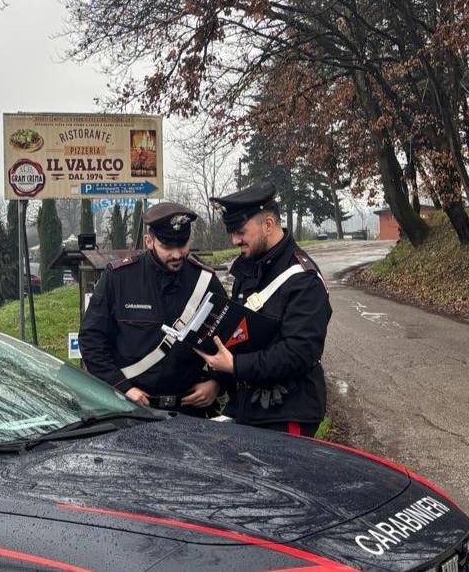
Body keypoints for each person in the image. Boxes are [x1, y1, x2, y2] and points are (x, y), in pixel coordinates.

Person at [194, 182, 331, 436]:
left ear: (268, 225)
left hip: (288, 410)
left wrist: (235, 365)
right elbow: (239, 335)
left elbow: (300, 352)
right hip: (250, 405)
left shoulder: (304, 279)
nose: (235, 240)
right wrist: (219, 379)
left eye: (241, 232)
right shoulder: (249, 269)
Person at [79, 202, 228, 417]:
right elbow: (91, 340)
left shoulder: (205, 282)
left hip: (189, 411)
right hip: (131, 410)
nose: (177, 254)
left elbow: (228, 340)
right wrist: (122, 388)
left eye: (182, 244)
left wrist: (216, 383)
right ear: (149, 241)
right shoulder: (119, 278)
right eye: (168, 247)